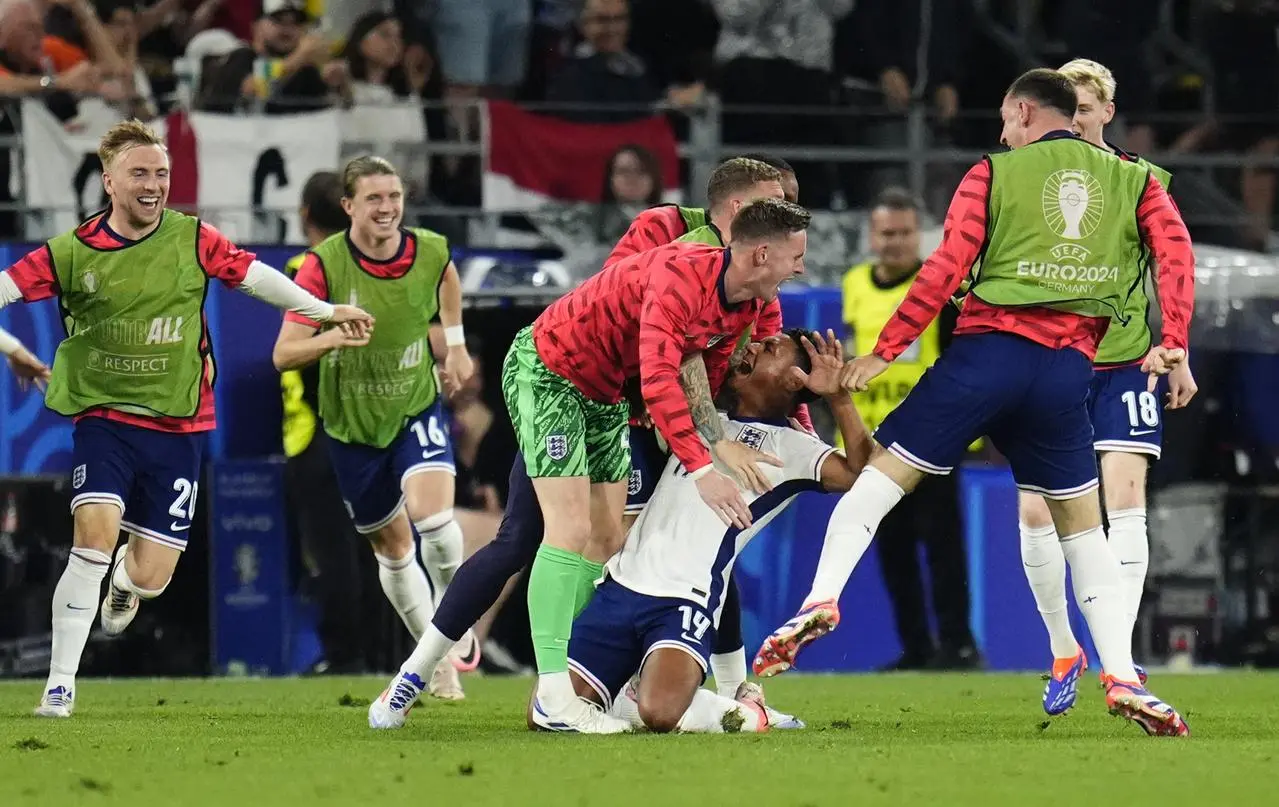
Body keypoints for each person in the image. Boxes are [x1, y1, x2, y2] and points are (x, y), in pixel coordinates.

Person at [754, 69, 1196, 737]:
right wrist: (1173, 337)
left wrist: (887, 347)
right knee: (1083, 532)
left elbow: (943, 269)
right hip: (1064, 373)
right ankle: (1122, 675)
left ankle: (820, 598)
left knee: (874, 484)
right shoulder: (1135, 180)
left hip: (983, 359)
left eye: (1003, 118)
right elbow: (1175, 254)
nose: (999, 131)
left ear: (1023, 112)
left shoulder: (991, 173)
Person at [370, 197, 812, 734]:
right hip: (550, 371)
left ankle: (577, 687)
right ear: (761, 251)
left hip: (604, 394)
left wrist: (744, 438)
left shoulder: (747, 304)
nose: (802, 268)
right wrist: (704, 468)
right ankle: (548, 697)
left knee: (605, 540)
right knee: (562, 531)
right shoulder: (680, 262)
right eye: (797, 257)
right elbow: (657, 377)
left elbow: (702, 383)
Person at [0, 120, 372, 718]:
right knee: (90, 536)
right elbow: (7, 287)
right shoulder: (71, 253)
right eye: (140, 173)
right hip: (106, 419)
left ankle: (128, 580)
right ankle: (60, 686)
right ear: (109, 181)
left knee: (151, 578)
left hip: (179, 428)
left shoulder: (192, 238)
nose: (153, 185)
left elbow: (255, 278)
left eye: (161, 174)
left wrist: (323, 310)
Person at [567, 330, 872, 733]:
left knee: (659, 713)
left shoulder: (792, 447)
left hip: (684, 601)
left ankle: (749, 713)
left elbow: (862, 473)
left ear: (794, 379)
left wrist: (839, 398)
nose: (755, 347)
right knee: (556, 708)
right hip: (620, 586)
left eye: (770, 348)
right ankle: (634, 697)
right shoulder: (702, 417)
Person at [1024, 58, 1200, 715]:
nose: (1074, 117)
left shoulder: (1139, 182)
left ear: (1105, 112)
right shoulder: (1025, 180)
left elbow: (1173, 263)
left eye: (1085, 106)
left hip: (1125, 360)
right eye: (1063, 107)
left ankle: (1117, 663)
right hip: (1048, 363)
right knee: (1036, 512)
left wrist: (1174, 346)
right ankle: (1063, 646)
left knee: (1123, 496)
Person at [273, 155, 477, 700]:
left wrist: (455, 345)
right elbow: (284, 354)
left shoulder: (429, 248)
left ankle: (458, 620)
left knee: (434, 521)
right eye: (374, 199)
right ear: (348, 207)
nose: (387, 208)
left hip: (415, 406)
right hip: (350, 426)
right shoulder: (322, 266)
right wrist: (331, 336)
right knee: (393, 549)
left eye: (394, 197)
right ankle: (432, 661)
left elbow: (447, 276)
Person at [842, 187, 980, 671]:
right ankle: (917, 647)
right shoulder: (855, 284)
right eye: (886, 233)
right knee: (893, 549)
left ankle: (959, 644)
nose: (895, 242)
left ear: (918, 236)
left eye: (903, 233)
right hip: (876, 441)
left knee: (943, 545)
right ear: (872, 237)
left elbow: (962, 361)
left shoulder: (938, 287)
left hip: (933, 436)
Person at [280, 170, 377, 675]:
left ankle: (344, 657)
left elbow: (293, 356)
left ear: (304, 216)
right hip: (372, 425)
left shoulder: (305, 269)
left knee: (331, 551)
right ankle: (384, 654)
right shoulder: (370, 269)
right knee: (379, 544)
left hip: (316, 431)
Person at [603, 155, 796, 266]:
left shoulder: (765, 264)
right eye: (777, 201)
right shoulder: (663, 224)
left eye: (793, 204)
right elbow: (610, 294)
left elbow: (760, 335)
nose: (787, 214)